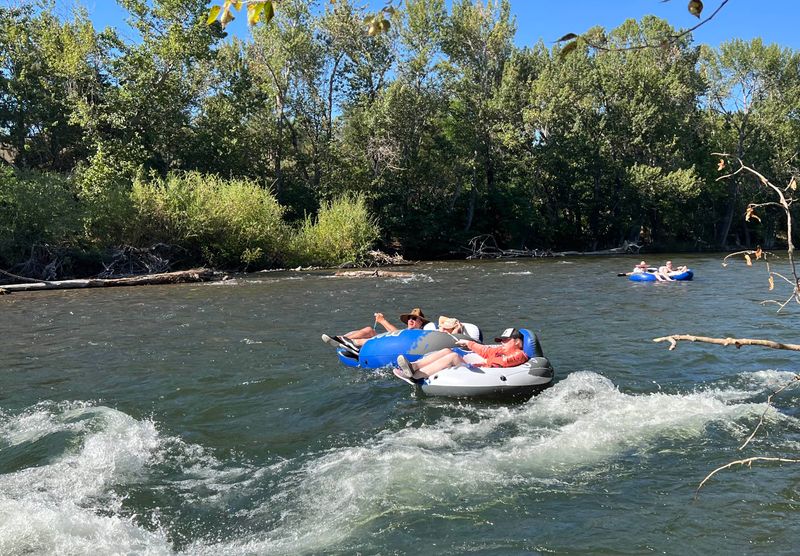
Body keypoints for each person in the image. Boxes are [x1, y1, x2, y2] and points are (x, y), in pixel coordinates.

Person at [396, 328, 529, 380]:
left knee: (453, 357)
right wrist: (467, 342)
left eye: (506, 340)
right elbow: (485, 351)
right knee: (448, 350)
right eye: (501, 340)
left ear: (517, 342)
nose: (502, 342)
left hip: (483, 373)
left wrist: (493, 357)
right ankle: (413, 366)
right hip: (479, 368)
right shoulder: (501, 350)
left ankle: (417, 376)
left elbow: (504, 362)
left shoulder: (520, 354)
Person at [322, 307, 429, 353]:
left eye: (414, 319)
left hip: (392, 347)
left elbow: (398, 335)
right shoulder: (407, 330)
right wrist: (382, 321)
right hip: (390, 343)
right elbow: (394, 332)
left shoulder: (420, 333)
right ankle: (342, 339)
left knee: (367, 339)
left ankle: (352, 343)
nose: (411, 320)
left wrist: (382, 321)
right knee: (369, 330)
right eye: (409, 318)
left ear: (421, 322)